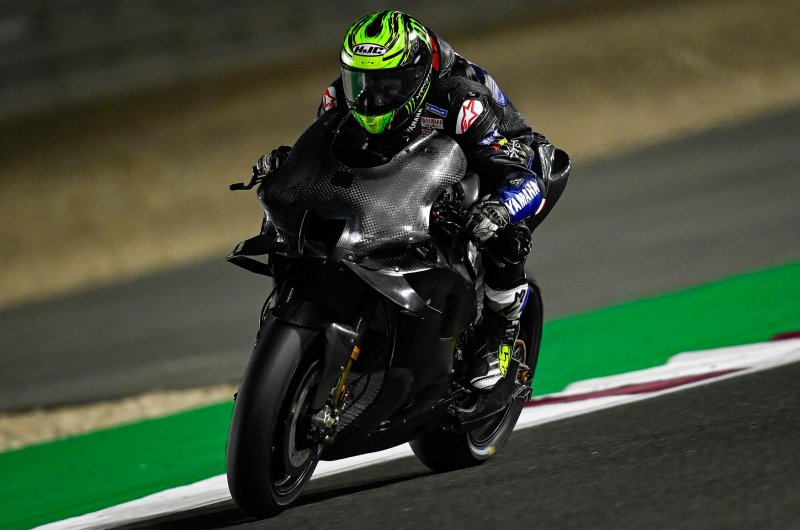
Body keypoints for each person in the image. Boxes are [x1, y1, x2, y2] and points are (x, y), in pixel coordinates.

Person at [254, 10, 567, 391]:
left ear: (417, 76)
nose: (373, 96)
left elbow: (523, 177)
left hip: (501, 156)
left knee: (500, 234)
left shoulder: (459, 100)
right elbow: (327, 153)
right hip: (423, 154)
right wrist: (289, 163)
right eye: (362, 82)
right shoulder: (340, 96)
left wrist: (499, 209)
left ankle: (500, 330)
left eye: (388, 85)